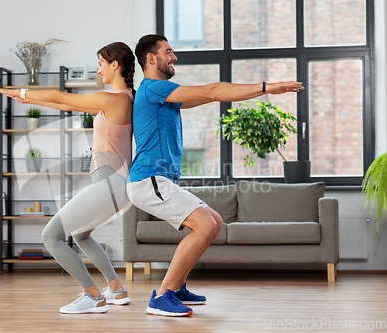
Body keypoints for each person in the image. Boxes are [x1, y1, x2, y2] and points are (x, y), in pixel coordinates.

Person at [127, 34, 304, 317]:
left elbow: (214, 95)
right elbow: (211, 91)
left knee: (215, 222)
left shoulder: (165, 96)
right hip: (148, 179)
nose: (174, 57)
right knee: (205, 226)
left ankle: (178, 285)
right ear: (151, 58)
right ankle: (162, 296)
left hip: (159, 180)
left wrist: (264, 92)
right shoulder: (153, 89)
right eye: (168, 51)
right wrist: (269, 87)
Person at [0, 41, 135, 314]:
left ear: (115, 65)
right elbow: (60, 102)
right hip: (115, 186)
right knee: (81, 235)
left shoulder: (115, 99)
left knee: (50, 235)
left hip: (111, 184)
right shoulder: (121, 99)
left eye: (101, 63)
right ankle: (117, 289)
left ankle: (93, 295)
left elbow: (61, 98)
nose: (98, 69)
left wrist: (20, 91)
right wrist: (26, 98)